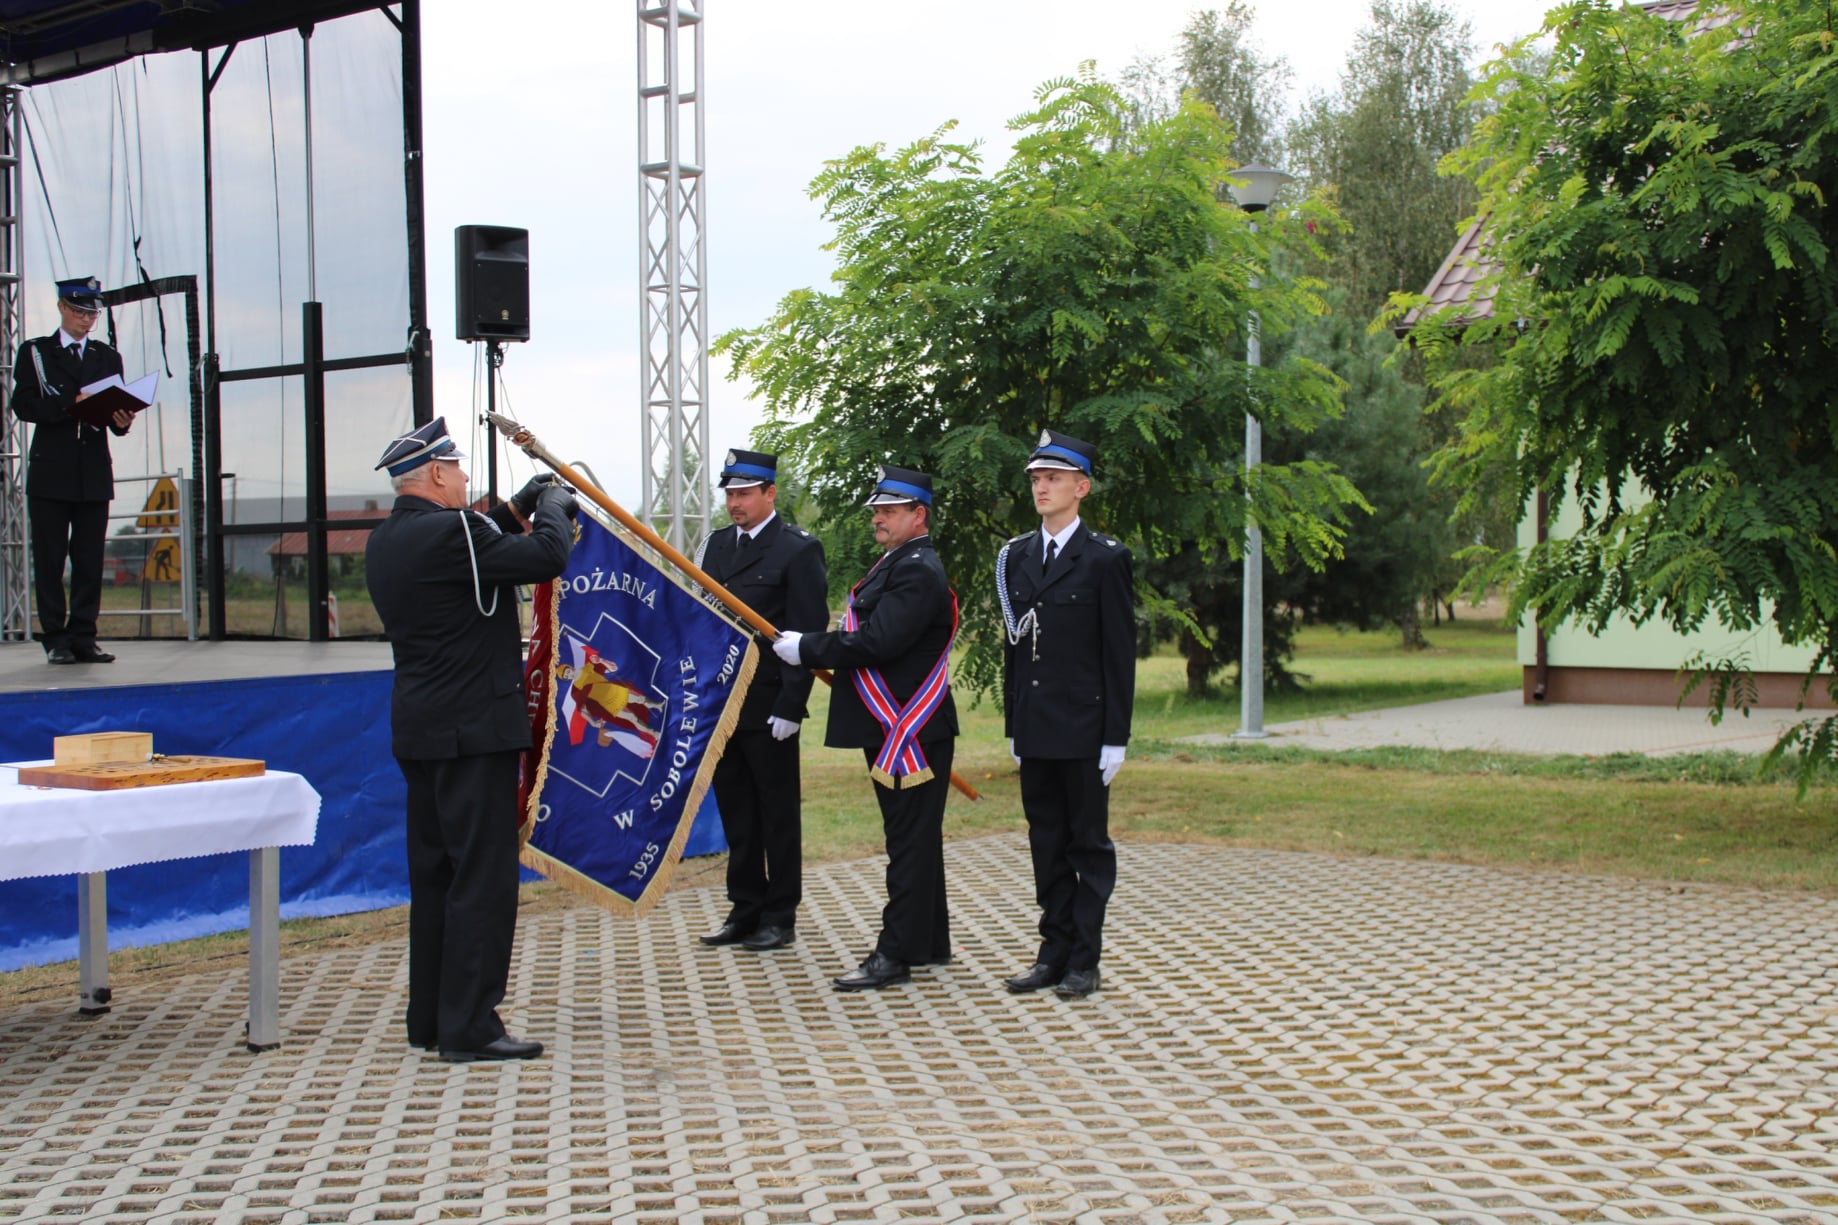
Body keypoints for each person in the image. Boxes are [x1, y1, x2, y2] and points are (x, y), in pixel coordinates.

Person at [364, 417, 578, 1062]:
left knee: (435, 877)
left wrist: (516, 506)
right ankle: (471, 1025)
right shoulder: (451, 532)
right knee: (480, 880)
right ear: (434, 474)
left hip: (423, 727)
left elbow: (481, 547)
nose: (465, 480)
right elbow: (546, 556)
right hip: (473, 730)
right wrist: (556, 506)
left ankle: (432, 1017)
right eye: (458, 470)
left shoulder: (388, 539)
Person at [774, 466, 958, 991]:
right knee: (914, 838)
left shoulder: (917, 570)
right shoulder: (896, 563)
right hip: (893, 724)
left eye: (889, 510)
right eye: (876, 509)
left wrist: (807, 647)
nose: (877, 517)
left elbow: (879, 641)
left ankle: (894, 954)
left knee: (908, 840)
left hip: (909, 729)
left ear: (918, 515)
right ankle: (928, 941)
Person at [997, 429, 1135, 999]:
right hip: (1036, 726)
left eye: (1053, 478)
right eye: (1036, 478)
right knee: (1045, 843)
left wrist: (1115, 738)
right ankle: (1051, 952)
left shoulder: (1105, 559)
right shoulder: (1017, 556)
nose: (1042, 487)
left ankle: (1085, 959)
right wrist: (1013, 724)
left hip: (1083, 729)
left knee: (1087, 846)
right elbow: (1014, 650)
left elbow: (1117, 653)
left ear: (1082, 486)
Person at [694, 449, 828, 952]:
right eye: (729, 493)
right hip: (725, 704)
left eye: (745, 493)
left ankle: (780, 915)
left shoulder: (796, 549)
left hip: (770, 703)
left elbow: (807, 632)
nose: (735, 502)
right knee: (737, 813)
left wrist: (792, 706)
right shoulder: (716, 548)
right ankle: (744, 909)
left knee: (776, 815)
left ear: (770, 493)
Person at [8, 276, 131, 665]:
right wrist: (69, 402)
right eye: (79, 311)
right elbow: (24, 405)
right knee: (50, 558)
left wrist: (123, 419)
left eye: (92, 312)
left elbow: (116, 415)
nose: (86, 319)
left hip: (93, 470)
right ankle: (55, 638)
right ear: (62, 308)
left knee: (90, 558)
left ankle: (83, 635)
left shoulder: (105, 356)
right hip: (51, 470)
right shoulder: (37, 353)